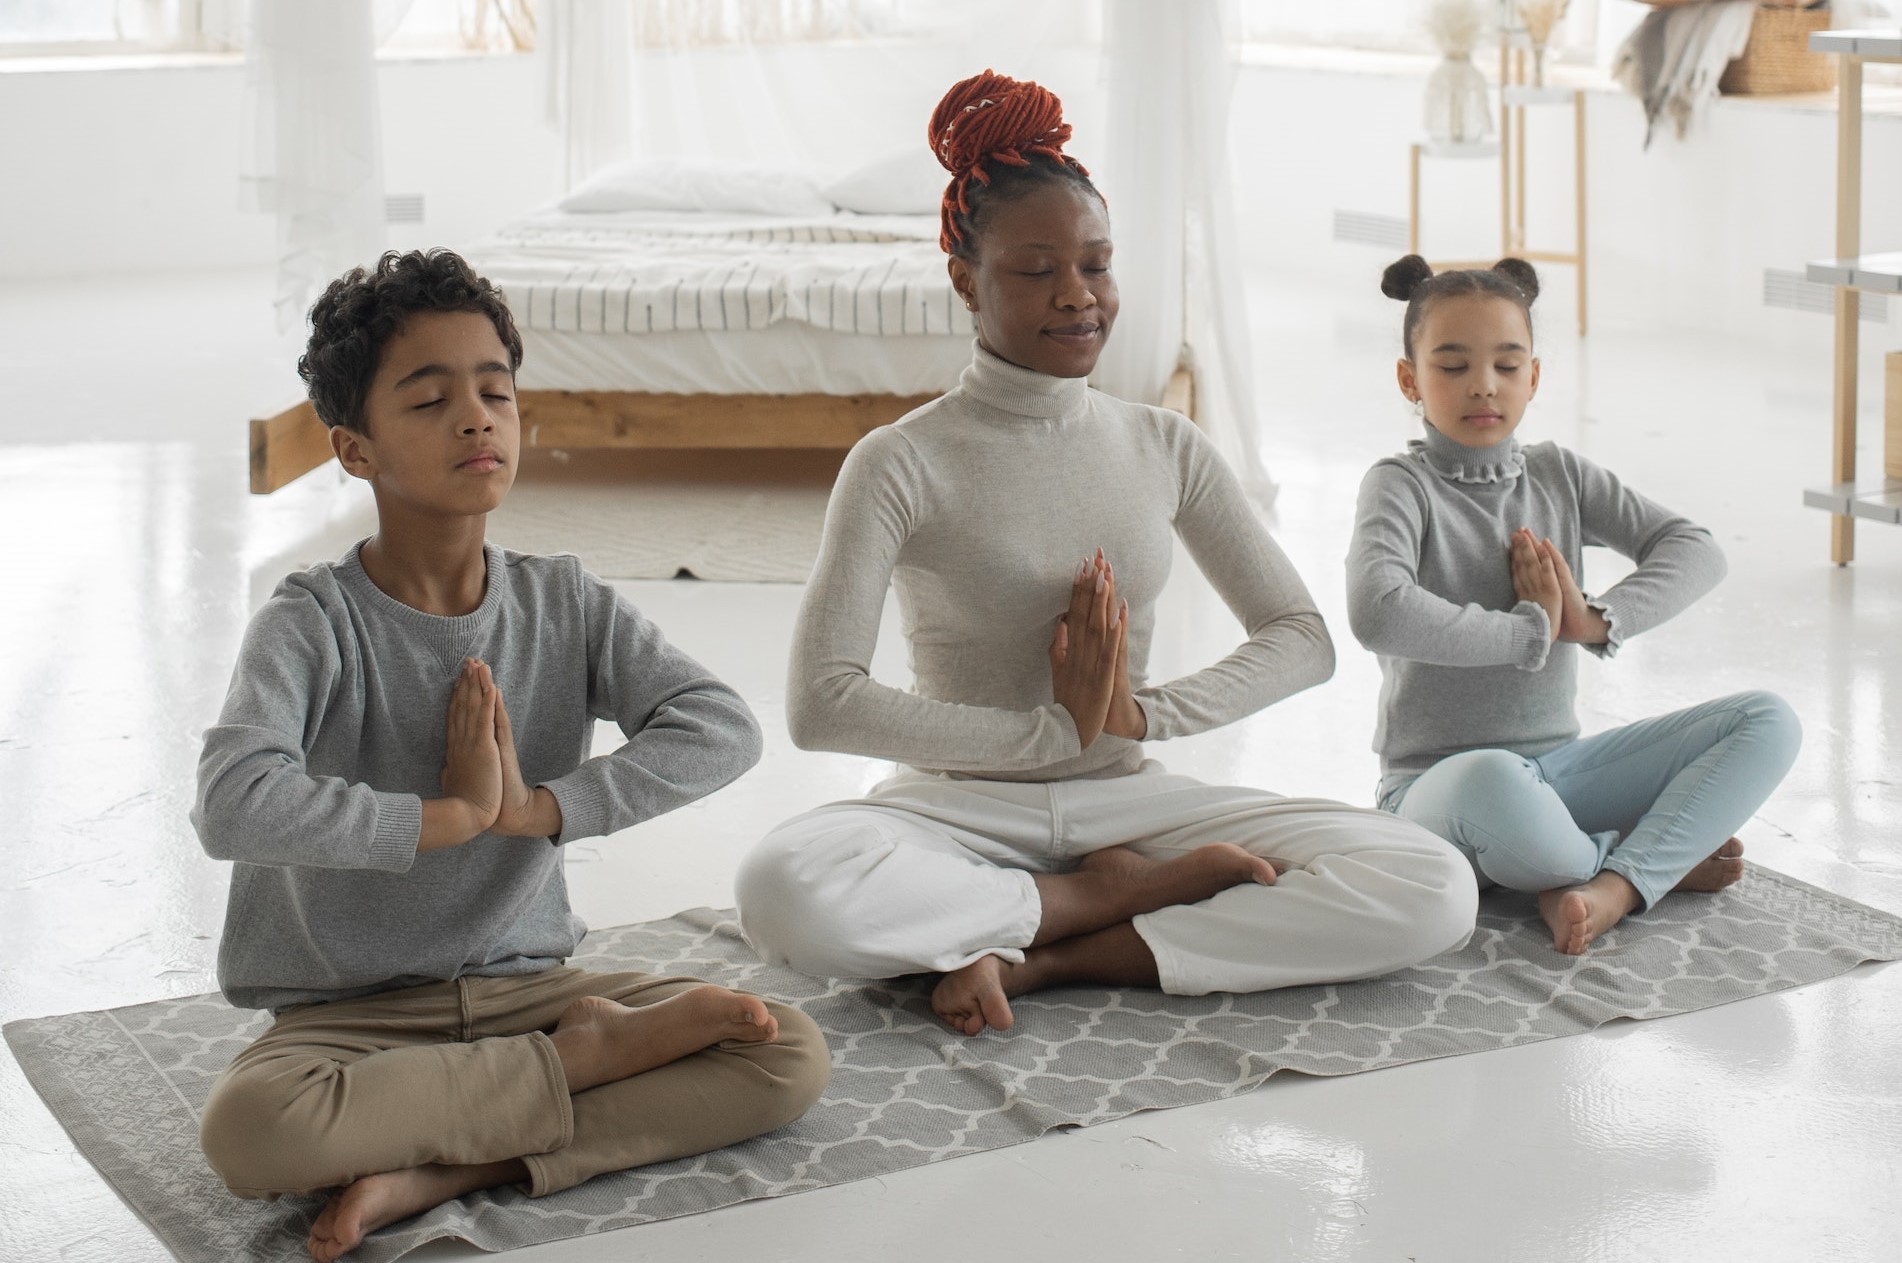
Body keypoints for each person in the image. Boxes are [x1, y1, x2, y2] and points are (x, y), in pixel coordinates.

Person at [734, 71, 1477, 1037]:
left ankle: (1044, 955)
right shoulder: (901, 460)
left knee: (1433, 884)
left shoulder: (1163, 442)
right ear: (967, 279)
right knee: (783, 886)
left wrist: (1136, 714)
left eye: (1096, 262)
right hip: (960, 811)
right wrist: (1045, 737)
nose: (1078, 295)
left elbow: (1303, 637)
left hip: (1129, 804)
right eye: (1036, 269)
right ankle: (1096, 902)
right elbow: (821, 701)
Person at [191, 250, 829, 1262]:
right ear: (354, 449)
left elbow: (721, 724)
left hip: (529, 994)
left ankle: (457, 1166)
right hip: (353, 1024)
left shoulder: (563, 601)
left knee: (784, 1053)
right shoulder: (309, 622)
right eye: (432, 398)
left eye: (496, 391)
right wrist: (443, 820)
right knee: (253, 1129)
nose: (478, 417)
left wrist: (538, 808)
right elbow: (233, 803)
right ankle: (579, 1073)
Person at [1345, 254, 1802, 956]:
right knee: (1491, 776)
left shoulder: (1560, 473)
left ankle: (1606, 886)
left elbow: (1695, 548)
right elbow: (1380, 611)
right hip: (1434, 790)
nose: (1483, 385)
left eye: (1506, 363)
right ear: (1410, 378)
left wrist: (1592, 620)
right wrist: (1532, 629)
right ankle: (1651, 860)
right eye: (1453, 364)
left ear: (1534, 375)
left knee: (1769, 720)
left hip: (1557, 779)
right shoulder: (1400, 486)